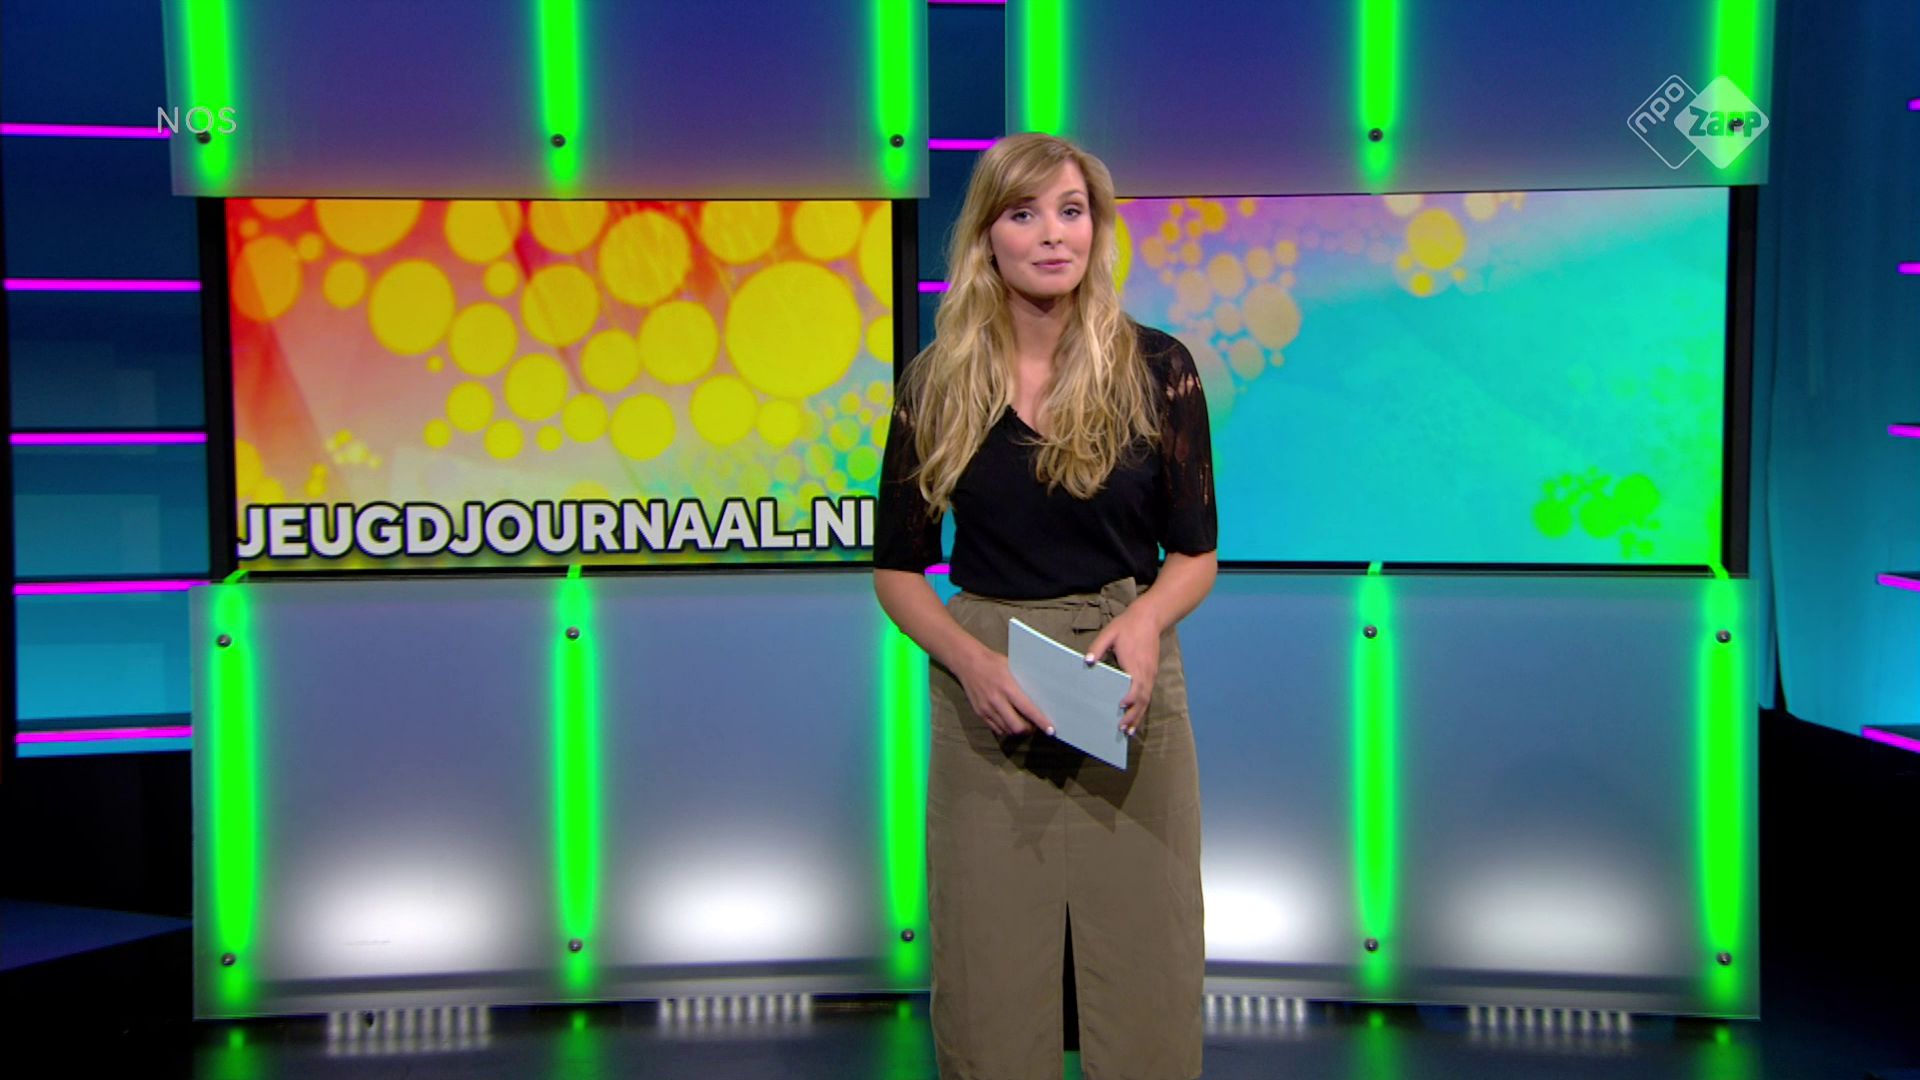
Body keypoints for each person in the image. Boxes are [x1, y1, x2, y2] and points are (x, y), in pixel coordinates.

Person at [873, 132, 1218, 1080]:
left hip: (1127, 684)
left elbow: (1195, 554)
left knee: (1147, 977)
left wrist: (1146, 620)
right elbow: (898, 571)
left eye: (1071, 211)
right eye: (1024, 214)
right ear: (988, 235)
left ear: (1096, 229)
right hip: (989, 687)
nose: (1053, 234)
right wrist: (970, 660)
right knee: (989, 985)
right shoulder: (936, 383)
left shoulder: (1159, 367)